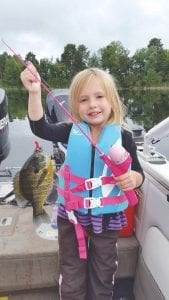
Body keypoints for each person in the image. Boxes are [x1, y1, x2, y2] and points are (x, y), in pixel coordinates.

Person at [20, 63, 144, 300]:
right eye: (84, 99)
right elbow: (40, 128)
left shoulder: (124, 135)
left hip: (108, 218)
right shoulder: (70, 131)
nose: (92, 105)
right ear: (75, 105)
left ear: (112, 101)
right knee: (71, 268)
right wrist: (35, 92)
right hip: (72, 216)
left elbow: (139, 172)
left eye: (99, 97)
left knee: (104, 269)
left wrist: (133, 178)